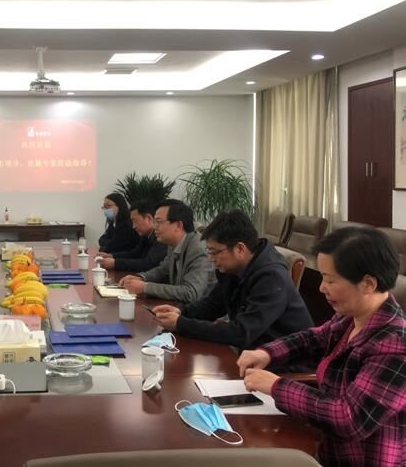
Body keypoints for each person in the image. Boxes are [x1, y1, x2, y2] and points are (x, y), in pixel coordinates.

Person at [239, 226, 406, 467]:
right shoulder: (350, 317)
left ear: (368, 283)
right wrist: (266, 353)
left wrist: (276, 386)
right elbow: (311, 339)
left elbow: (349, 418)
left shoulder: (395, 345)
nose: (321, 288)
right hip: (324, 447)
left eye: (330, 280)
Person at [152, 209, 313, 350]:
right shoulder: (231, 267)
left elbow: (242, 333)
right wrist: (181, 312)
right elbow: (213, 305)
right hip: (253, 354)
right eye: (208, 251)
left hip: (287, 364)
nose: (210, 258)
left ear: (240, 249)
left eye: (214, 252)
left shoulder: (271, 277)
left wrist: (181, 324)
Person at [119, 200, 214, 302]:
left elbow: (190, 292)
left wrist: (145, 287)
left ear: (178, 225)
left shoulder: (199, 249)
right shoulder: (174, 243)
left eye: (158, 222)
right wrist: (141, 278)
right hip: (179, 307)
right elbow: (162, 270)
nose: (154, 226)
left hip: (202, 311)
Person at [98, 201, 167, 272]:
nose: (133, 226)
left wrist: (115, 263)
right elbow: (134, 254)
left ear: (148, 218)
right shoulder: (145, 236)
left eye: (135, 221)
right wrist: (111, 256)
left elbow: (148, 264)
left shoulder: (161, 238)